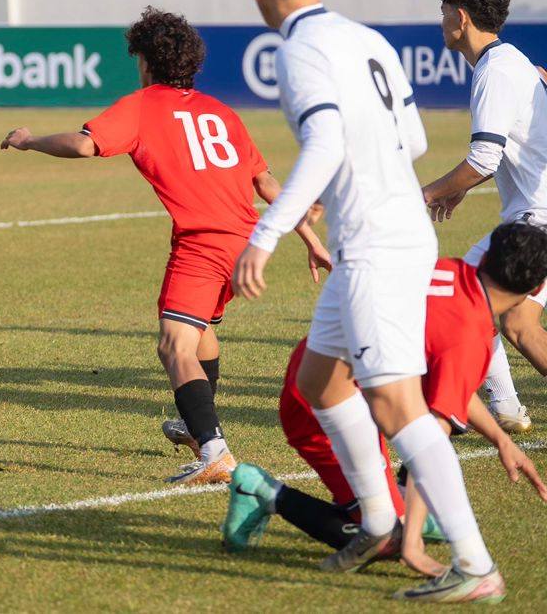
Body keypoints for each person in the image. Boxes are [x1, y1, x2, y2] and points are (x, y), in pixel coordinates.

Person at [234, 0, 501, 600]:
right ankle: (379, 520)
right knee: (321, 382)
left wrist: (268, 230)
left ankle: (476, 565)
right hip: (389, 231)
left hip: (376, 243)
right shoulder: (367, 38)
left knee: (396, 404)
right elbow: (413, 140)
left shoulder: (298, 50)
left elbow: (325, 140)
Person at [4, 9, 328, 485]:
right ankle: (198, 429)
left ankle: (215, 452)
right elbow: (265, 182)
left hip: (203, 243)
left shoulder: (142, 105)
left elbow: (84, 145)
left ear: (146, 61)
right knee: (200, 333)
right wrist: (311, 237)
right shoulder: (221, 111)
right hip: (246, 241)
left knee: (174, 344)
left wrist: (30, 140)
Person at [223, 227, 547, 570]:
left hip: (327, 369)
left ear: (485, 258)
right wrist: (411, 545)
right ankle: (261, 490)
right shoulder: (469, 335)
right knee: (385, 538)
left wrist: (500, 439)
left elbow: (449, 389)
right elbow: (430, 443)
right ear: (537, 290)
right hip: (323, 406)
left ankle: (402, 512)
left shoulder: (449, 269)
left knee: (405, 496)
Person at [420, 0, 547, 435]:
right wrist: (459, 187)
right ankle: (505, 407)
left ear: (461, 17)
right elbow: (507, 149)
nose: (441, 22)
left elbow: (484, 157)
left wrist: (428, 194)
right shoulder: (511, 62)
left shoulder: (495, 71)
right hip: (533, 216)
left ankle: (484, 404)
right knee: (492, 310)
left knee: (493, 312)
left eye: (443, 13)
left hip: (536, 221)